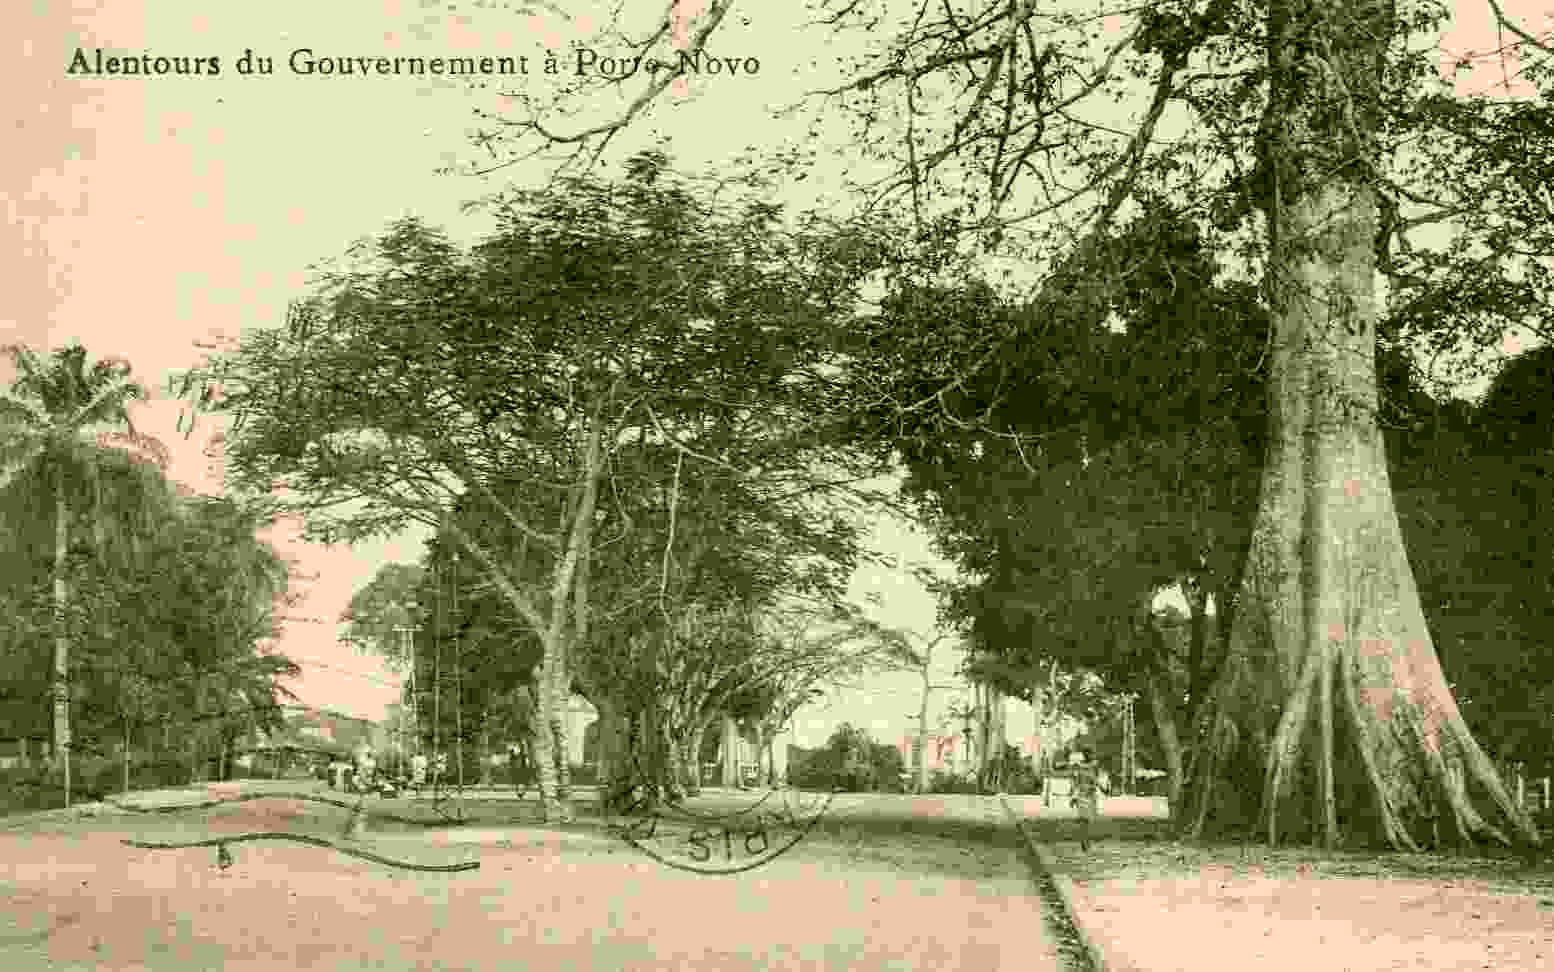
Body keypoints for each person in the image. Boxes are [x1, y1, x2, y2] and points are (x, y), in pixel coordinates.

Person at [1068, 750, 1108, 852]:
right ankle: (1085, 842)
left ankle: (1085, 841)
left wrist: (1073, 797)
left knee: (1086, 821)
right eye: (1090, 754)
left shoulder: (1085, 767)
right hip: (1085, 796)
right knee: (1085, 821)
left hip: (1087, 796)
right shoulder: (1086, 767)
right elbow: (1091, 780)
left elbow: (1076, 782)